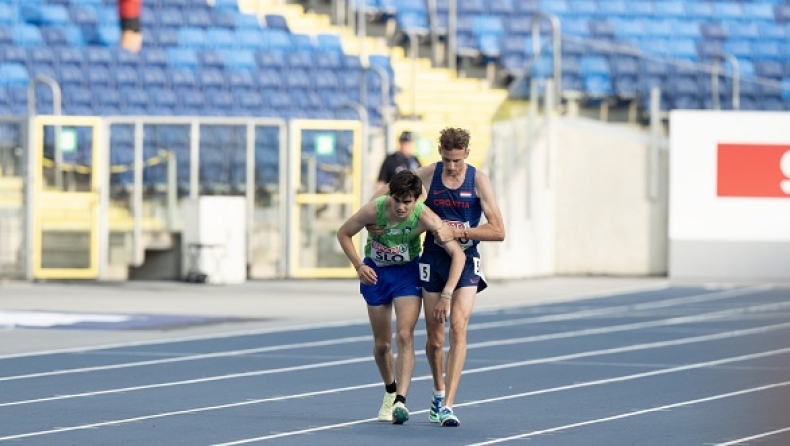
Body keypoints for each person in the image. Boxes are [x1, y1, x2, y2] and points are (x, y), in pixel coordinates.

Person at [368, 127, 505, 427]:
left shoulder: (479, 181)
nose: (452, 166)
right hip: (432, 259)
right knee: (434, 338)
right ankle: (437, 389)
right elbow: (391, 191)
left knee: (458, 325)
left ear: (467, 154)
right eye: (447, 159)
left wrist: (461, 232)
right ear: (440, 154)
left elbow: (498, 230)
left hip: (465, 259)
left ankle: (447, 404)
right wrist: (374, 217)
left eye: (457, 160)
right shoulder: (429, 174)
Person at [336, 170, 466, 425]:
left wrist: (448, 293)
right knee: (382, 344)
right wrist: (359, 266)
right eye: (398, 201)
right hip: (376, 274)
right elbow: (343, 233)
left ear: (417, 200)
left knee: (405, 335)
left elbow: (457, 254)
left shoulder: (424, 215)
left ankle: (401, 401)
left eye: (408, 202)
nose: (402, 207)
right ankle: (390, 389)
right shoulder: (375, 210)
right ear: (390, 197)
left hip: (407, 274)